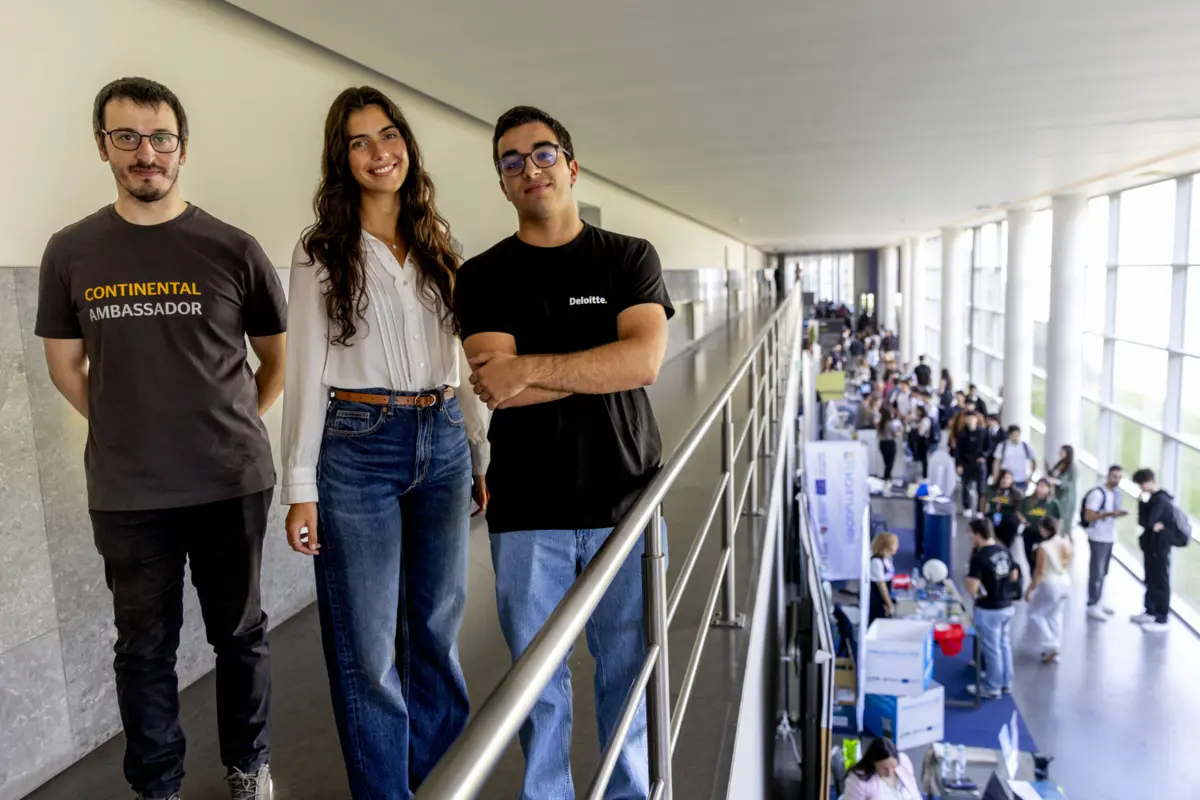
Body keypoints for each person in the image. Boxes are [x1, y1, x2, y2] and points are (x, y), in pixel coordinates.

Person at [35, 77, 285, 800]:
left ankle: (249, 770)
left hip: (230, 480)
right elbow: (65, 365)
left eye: (160, 138)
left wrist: (230, 421)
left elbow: (277, 358)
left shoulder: (232, 247)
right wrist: (129, 425)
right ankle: (158, 787)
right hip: (128, 491)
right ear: (103, 146)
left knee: (240, 637)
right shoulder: (71, 250)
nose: (147, 152)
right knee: (143, 649)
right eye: (128, 137)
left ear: (182, 147)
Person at [455, 105, 673, 800]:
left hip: (626, 505)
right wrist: (587, 366)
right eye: (511, 161)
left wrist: (533, 367)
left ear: (572, 167)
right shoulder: (483, 276)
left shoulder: (630, 257)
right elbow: (497, 387)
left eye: (543, 154)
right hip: (528, 515)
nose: (530, 169)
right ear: (502, 184)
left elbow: (641, 363)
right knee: (536, 688)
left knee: (629, 678)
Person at [281, 87, 491, 798]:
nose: (379, 152)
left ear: (407, 144)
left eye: (389, 134)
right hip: (357, 446)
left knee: (435, 630)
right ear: (341, 161)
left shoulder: (438, 248)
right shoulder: (320, 254)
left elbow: (459, 363)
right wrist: (299, 487)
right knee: (368, 650)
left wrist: (479, 451)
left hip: (443, 442)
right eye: (359, 141)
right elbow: (306, 371)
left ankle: (442, 782)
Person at [965, 518, 1021, 699]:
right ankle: (1006, 682)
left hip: (989, 609)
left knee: (991, 648)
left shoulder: (979, 557)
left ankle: (992, 687)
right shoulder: (1004, 550)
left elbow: (972, 589)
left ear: (977, 534)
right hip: (1007, 605)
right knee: (1004, 644)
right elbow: (1014, 575)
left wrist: (976, 586)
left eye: (970, 533)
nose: (969, 536)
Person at [1131, 468, 1177, 633]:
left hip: (1160, 548)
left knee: (1160, 581)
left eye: (1142, 484)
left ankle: (1161, 618)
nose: (1141, 487)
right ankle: (1150, 610)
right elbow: (1146, 523)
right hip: (1152, 547)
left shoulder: (1161, 501)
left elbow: (1149, 521)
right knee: (1150, 579)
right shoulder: (1151, 500)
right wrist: (1143, 505)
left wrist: (1151, 522)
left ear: (1149, 481)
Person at [1082, 465, 1128, 622]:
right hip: (1098, 537)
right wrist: (1110, 514)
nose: (1117, 480)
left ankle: (1098, 601)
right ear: (1108, 476)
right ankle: (1092, 603)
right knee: (1097, 571)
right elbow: (1089, 516)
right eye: (1114, 476)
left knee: (1104, 571)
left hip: (1109, 537)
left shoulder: (1116, 494)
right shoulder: (1097, 494)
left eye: (1119, 477)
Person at [1024, 518, 1073, 664]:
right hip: (1065, 582)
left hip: (1051, 585)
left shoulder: (1043, 547)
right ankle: (1054, 646)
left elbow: (1040, 571)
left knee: (1035, 614)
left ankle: (1050, 644)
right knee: (1055, 615)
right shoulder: (1066, 541)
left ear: (1045, 529)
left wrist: (1029, 589)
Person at [843, 737, 921, 800]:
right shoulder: (858, 781)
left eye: (893, 767)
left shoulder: (903, 761)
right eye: (884, 769)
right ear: (873, 763)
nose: (889, 773)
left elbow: (914, 792)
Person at [1019, 479, 1062, 580]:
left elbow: (1058, 518)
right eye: (1038, 486)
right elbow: (1019, 511)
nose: (1040, 489)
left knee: (1042, 557)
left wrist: (1057, 533)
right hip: (1030, 532)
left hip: (1045, 535)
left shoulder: (1053, 503)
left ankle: (1040, 577)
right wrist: (1024, 521)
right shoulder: (1028, 500)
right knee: (1029, 556)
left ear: (1048, 489)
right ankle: (1033, 576)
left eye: (1043, 487)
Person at [955, 412, 989, 518]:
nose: (969, 421)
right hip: (966, 463)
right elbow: (958, 451)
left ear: (976, 420)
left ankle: (980, 509)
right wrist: (958, 464)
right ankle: (967, 507)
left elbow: (988, 447)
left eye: (971, 419)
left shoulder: (983, 432)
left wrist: (984, 456)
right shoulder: (962, 433)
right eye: (967, 419)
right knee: (965, 486)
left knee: (981, 488)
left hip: (979, 463)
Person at [992, 424, 1037, 491]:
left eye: (1017, 435)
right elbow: (996, 462)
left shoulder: (1025, 446)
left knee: (1019, 499)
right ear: (1009, 435)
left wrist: (1031, 475)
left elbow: (1034, 461)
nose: (1015, 437)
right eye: (1013, 435)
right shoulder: (1003, 445)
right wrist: (995, 475)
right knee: (1004, 499)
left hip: (1021, 479)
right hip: (1005, 480)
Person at [1046, 445, 1078, 538]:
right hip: (1057, 495)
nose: (1060, 453)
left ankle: (1063, 539)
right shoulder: (1060, 463)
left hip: (1066, 498)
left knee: (1064, 521)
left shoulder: (1072, 467)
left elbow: (1070, 483)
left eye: (1062, 452)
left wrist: (1058, 482)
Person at [868, 532, 899, 624]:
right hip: (877, 602)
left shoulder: (887, 559)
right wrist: (889, 604)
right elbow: (882, 586)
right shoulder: (876, 562)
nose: (897, 546)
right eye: (895, 544)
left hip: (885, 599)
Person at [987, 470, 1023, 550]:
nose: (1005, 480)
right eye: (1003, 478)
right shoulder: (992, 489)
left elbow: (1018, 510)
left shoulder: (1016, 494)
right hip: (993, 516)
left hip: (1007, 519)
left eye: (1008, 478)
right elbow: (984, 501)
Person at [878, 405, 904, 481]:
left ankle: (886, 477)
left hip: (882, 444)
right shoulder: (890, 424)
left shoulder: (881, 423)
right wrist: (901, 430)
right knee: (890, 464)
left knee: (886, 463)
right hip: (889, 444)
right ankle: (887, 478)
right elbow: (896, 434)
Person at [909, 405, 933, 478]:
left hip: (923, 441)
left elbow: (921, 433)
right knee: (922, 459)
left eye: (918, 411)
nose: (916, 412)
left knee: (924, 459)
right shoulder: (920, 419)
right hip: (921, 441)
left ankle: (925, 475)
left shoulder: (925, 420)